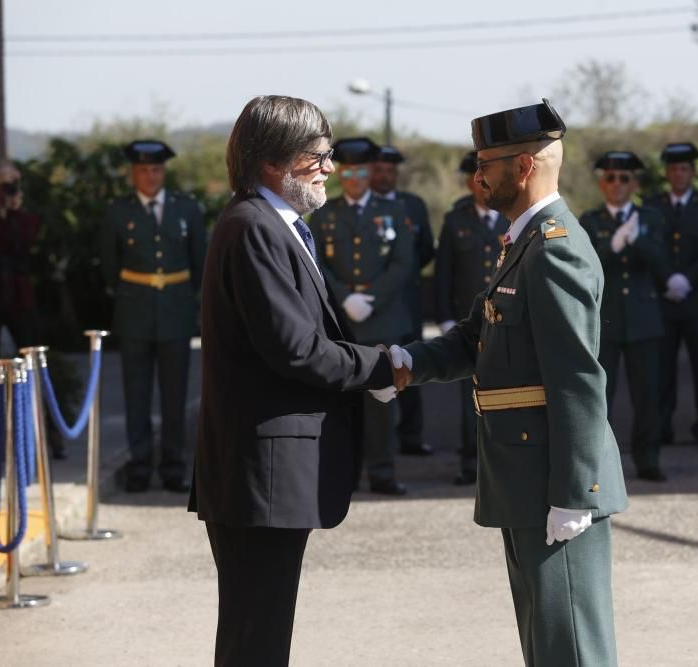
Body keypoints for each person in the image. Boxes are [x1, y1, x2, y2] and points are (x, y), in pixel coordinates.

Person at [386, 99, 627, 667]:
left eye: (487, 163)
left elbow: (577, 381)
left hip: (552, 482)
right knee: (546, 643)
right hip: (524, 476)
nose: (477, 176)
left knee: (571, 648)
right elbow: (476, 337)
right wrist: (401, 364)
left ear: (523, 167)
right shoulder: (523, 243)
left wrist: (575, 494)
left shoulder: (554, 250)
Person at [188, 95, 402, 666]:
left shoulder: (272, 226)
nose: (330, 167)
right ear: (272, 162)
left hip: (269, 479)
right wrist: (381, 367)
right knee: (254, 640)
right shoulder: (254, 228)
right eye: (318, 155)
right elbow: (297, 349)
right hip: (260, 479)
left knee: (261, 634)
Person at [308, 137, 414, 495]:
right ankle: (343, 473)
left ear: (370, 173)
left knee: (382, 400)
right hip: (341, 320)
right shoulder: (325, 213)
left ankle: (382, 472)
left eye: (360, 171)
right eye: (348, 171)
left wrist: (371, 298)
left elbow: (404, 263)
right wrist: (344, 296)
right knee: (341, 400)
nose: (354, 178)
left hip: (382, 318)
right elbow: (316, 263)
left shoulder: (395, 211)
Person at [100, 140, 207, 492]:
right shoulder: (118, 211)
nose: (150, 176)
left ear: (164, 171)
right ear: (133, 173)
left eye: (156, 169)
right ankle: (140, 465)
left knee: (174, 395)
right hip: (134, 312)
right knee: (137, 394)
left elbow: (199, 262)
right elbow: (109, 265)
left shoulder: (186, 208)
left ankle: (173, 466)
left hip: (176, 311)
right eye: (143, 170)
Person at [581, 150, 670, 481]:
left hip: (644, 320)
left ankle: (648, 458)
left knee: (648, 396)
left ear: (635, 182)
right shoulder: (589, 221)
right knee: (601, 397)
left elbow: (663, 263)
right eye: (609, 177)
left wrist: (638, 242)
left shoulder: (652, 218)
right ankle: (600, 463)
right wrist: (612, 247)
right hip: (606, 322)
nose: (617, 184)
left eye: (624, 178)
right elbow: (585, 268)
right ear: (602, 183)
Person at [434, 151, 509, 485]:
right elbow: (443, 274)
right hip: (468, 322)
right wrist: (445, 318)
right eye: (476, 175)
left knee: (506, 393)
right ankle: (470, 463)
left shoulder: (511, 216)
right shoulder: (456, 220)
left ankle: (502, 459)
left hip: (506, 321)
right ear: (469, 181)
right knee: (470, 399)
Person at [647, 142, 698, 449]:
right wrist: (667, 278)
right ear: (667, 172)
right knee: (663, 369)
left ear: (693, 172)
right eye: (674, 169)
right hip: (664, 299)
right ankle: (662, 426)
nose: (679, 174)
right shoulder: (652, 205)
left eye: (684, 169)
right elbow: (650, 247)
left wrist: (686, 280)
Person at [370, 145, 436, 457]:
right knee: (375, 371)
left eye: (390, 171)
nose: (385, 176)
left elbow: (425, 249)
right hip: (372, 304)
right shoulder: (362, 207)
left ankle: (411, 436)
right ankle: (374, 444)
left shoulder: (413, 205)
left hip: (407, 302)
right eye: (379, 170)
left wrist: (404, 274)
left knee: (411, 366)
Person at [0, 159, 38, 468]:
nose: (8, 188)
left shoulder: (24, 215)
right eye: (2, 182)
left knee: (30, 356)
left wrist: (13, 210)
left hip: (18, 293)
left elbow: (26, 242)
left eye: (12, 181)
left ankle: (40, 431)